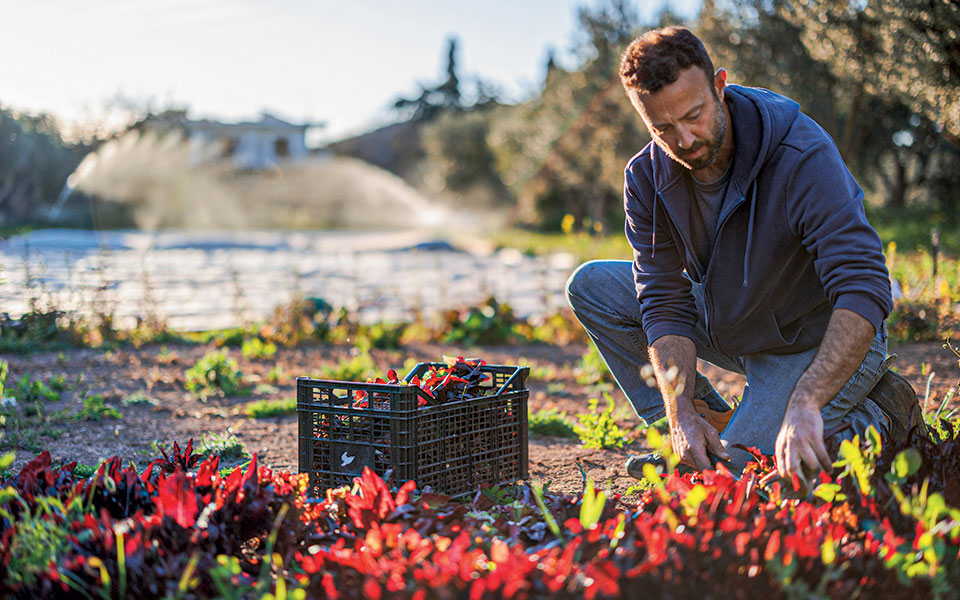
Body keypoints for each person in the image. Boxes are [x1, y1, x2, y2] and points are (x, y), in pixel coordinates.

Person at [565, 26, 923, 488]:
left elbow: (863, 286)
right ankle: (703, 427)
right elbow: (662, 299)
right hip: (732, 319)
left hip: (814, 338)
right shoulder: (647, 175)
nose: (685, 139)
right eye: (663, 128)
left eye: (694, 115)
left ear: (719, 86)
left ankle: (880, 413)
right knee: (592, 287)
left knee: (740, 478)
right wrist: (679, 413)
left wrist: (806, 401)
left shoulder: (800, 153)